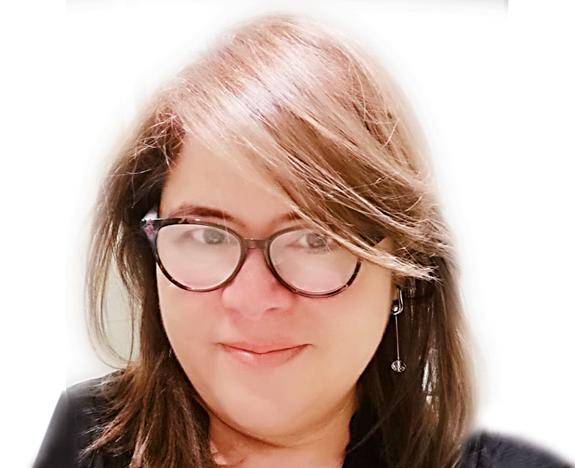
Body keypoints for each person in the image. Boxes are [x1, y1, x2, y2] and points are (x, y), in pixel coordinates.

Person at [34, 13, 571, 468]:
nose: (251, 299)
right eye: (206, 235)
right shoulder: (88, 439)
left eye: (315, 239)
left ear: (402, 268)